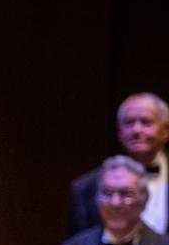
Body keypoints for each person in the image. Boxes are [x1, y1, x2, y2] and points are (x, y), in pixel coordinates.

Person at [70, 93, 169, 237]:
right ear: (119, 131)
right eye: (129, 123)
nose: (137, 130)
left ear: (165, 131)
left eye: (146, 122)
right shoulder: (86, 189)